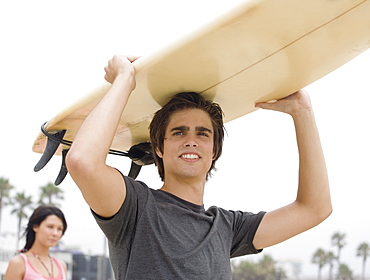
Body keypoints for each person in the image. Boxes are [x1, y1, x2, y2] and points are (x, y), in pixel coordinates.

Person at [65, 55, 332, 279]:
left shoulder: (227, 228)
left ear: (214, 150)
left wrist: (302, 111)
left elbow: (314, 209)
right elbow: (83, 162)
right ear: (159, 147)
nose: (191, 141)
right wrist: (125, 80)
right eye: (179, 133)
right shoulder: (134, 208)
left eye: (203, 134)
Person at [5, 205, 68, 280]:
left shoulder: (61, 265)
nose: (55, 233)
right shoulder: (19, 263)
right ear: (35, 227)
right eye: (50, 227)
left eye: (59, 229)